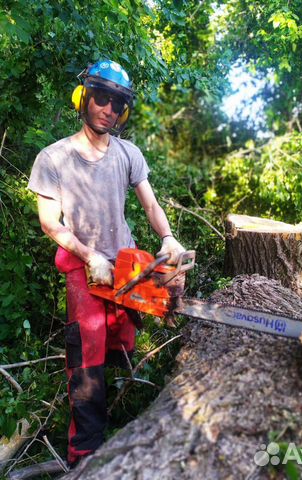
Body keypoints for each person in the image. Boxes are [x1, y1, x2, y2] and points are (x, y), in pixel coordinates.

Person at [28, 59, 185, 467]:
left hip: (125, 266)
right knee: (87, 356)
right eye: (101, 98)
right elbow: (49, 222)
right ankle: (86, 454)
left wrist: (167, 237)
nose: (108, 109)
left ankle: (119, 407)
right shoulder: (54, 158)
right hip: (85, 267)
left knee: (125, 340)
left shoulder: (128, 153)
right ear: (84, 97)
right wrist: (89, 254)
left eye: (117, 104)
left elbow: (149, 203)